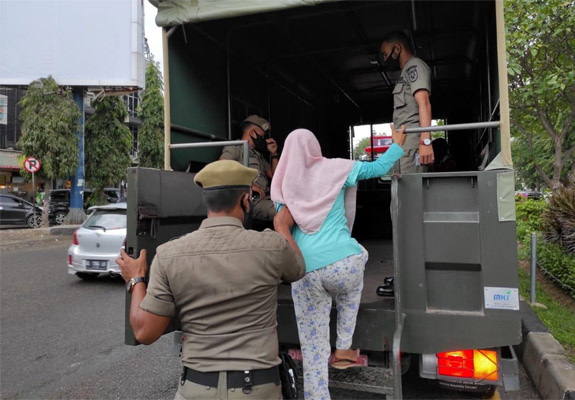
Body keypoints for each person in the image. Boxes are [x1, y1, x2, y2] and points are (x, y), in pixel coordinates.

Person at [116, 160, 305, 400]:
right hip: (259, 390)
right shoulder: (272, 246)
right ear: (246, 201)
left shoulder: (168, 255)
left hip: (195, 389)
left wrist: (136, 279)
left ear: (206, 202)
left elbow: (144, 332)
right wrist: (282, 226)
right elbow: (298, 269)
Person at [270, 125, 407, 400]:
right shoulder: (337, 168)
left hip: (304, 272)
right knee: (354, 272)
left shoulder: (282, 185)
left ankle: (317, 396)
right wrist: (397, 144)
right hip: (343, 265)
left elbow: (284, 225)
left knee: (313, 346)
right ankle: (344, 347)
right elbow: (378, 168)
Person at [380, 31, 434, 172]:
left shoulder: (415, 66)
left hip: (412, 146)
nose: (385, 59)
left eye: (386, 54)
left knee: (411, 192)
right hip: (404, 146)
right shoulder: (405, 72)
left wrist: (425, 141)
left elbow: (424, 103)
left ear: (397, 49)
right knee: (403, 191)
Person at [220, 115, 279, 220]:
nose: (265, 140)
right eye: (263, 136)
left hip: (265, 198)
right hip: (249, 200)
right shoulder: (236, 147)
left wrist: (274, 154)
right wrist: (248, 186)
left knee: (290, 207)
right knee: (282, 213)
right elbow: (222, 168)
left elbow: (274, 175)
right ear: (252, 133)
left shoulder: (258, 154)